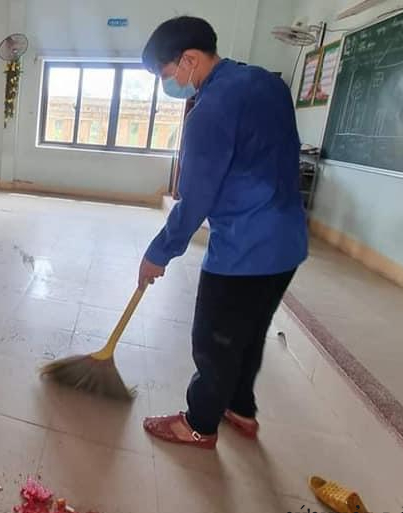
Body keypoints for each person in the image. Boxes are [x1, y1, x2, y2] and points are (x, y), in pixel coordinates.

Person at [136, 16, 309, 449]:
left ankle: (199, 423)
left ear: (190, 59)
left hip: (244, 248)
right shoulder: (268, 84)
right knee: (250, 333)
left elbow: (195, 200)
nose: (170, 84)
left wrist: (159, 252)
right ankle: (240, 409)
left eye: (168, 73)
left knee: (213, 340)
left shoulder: (210, 111)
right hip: (287, 241)